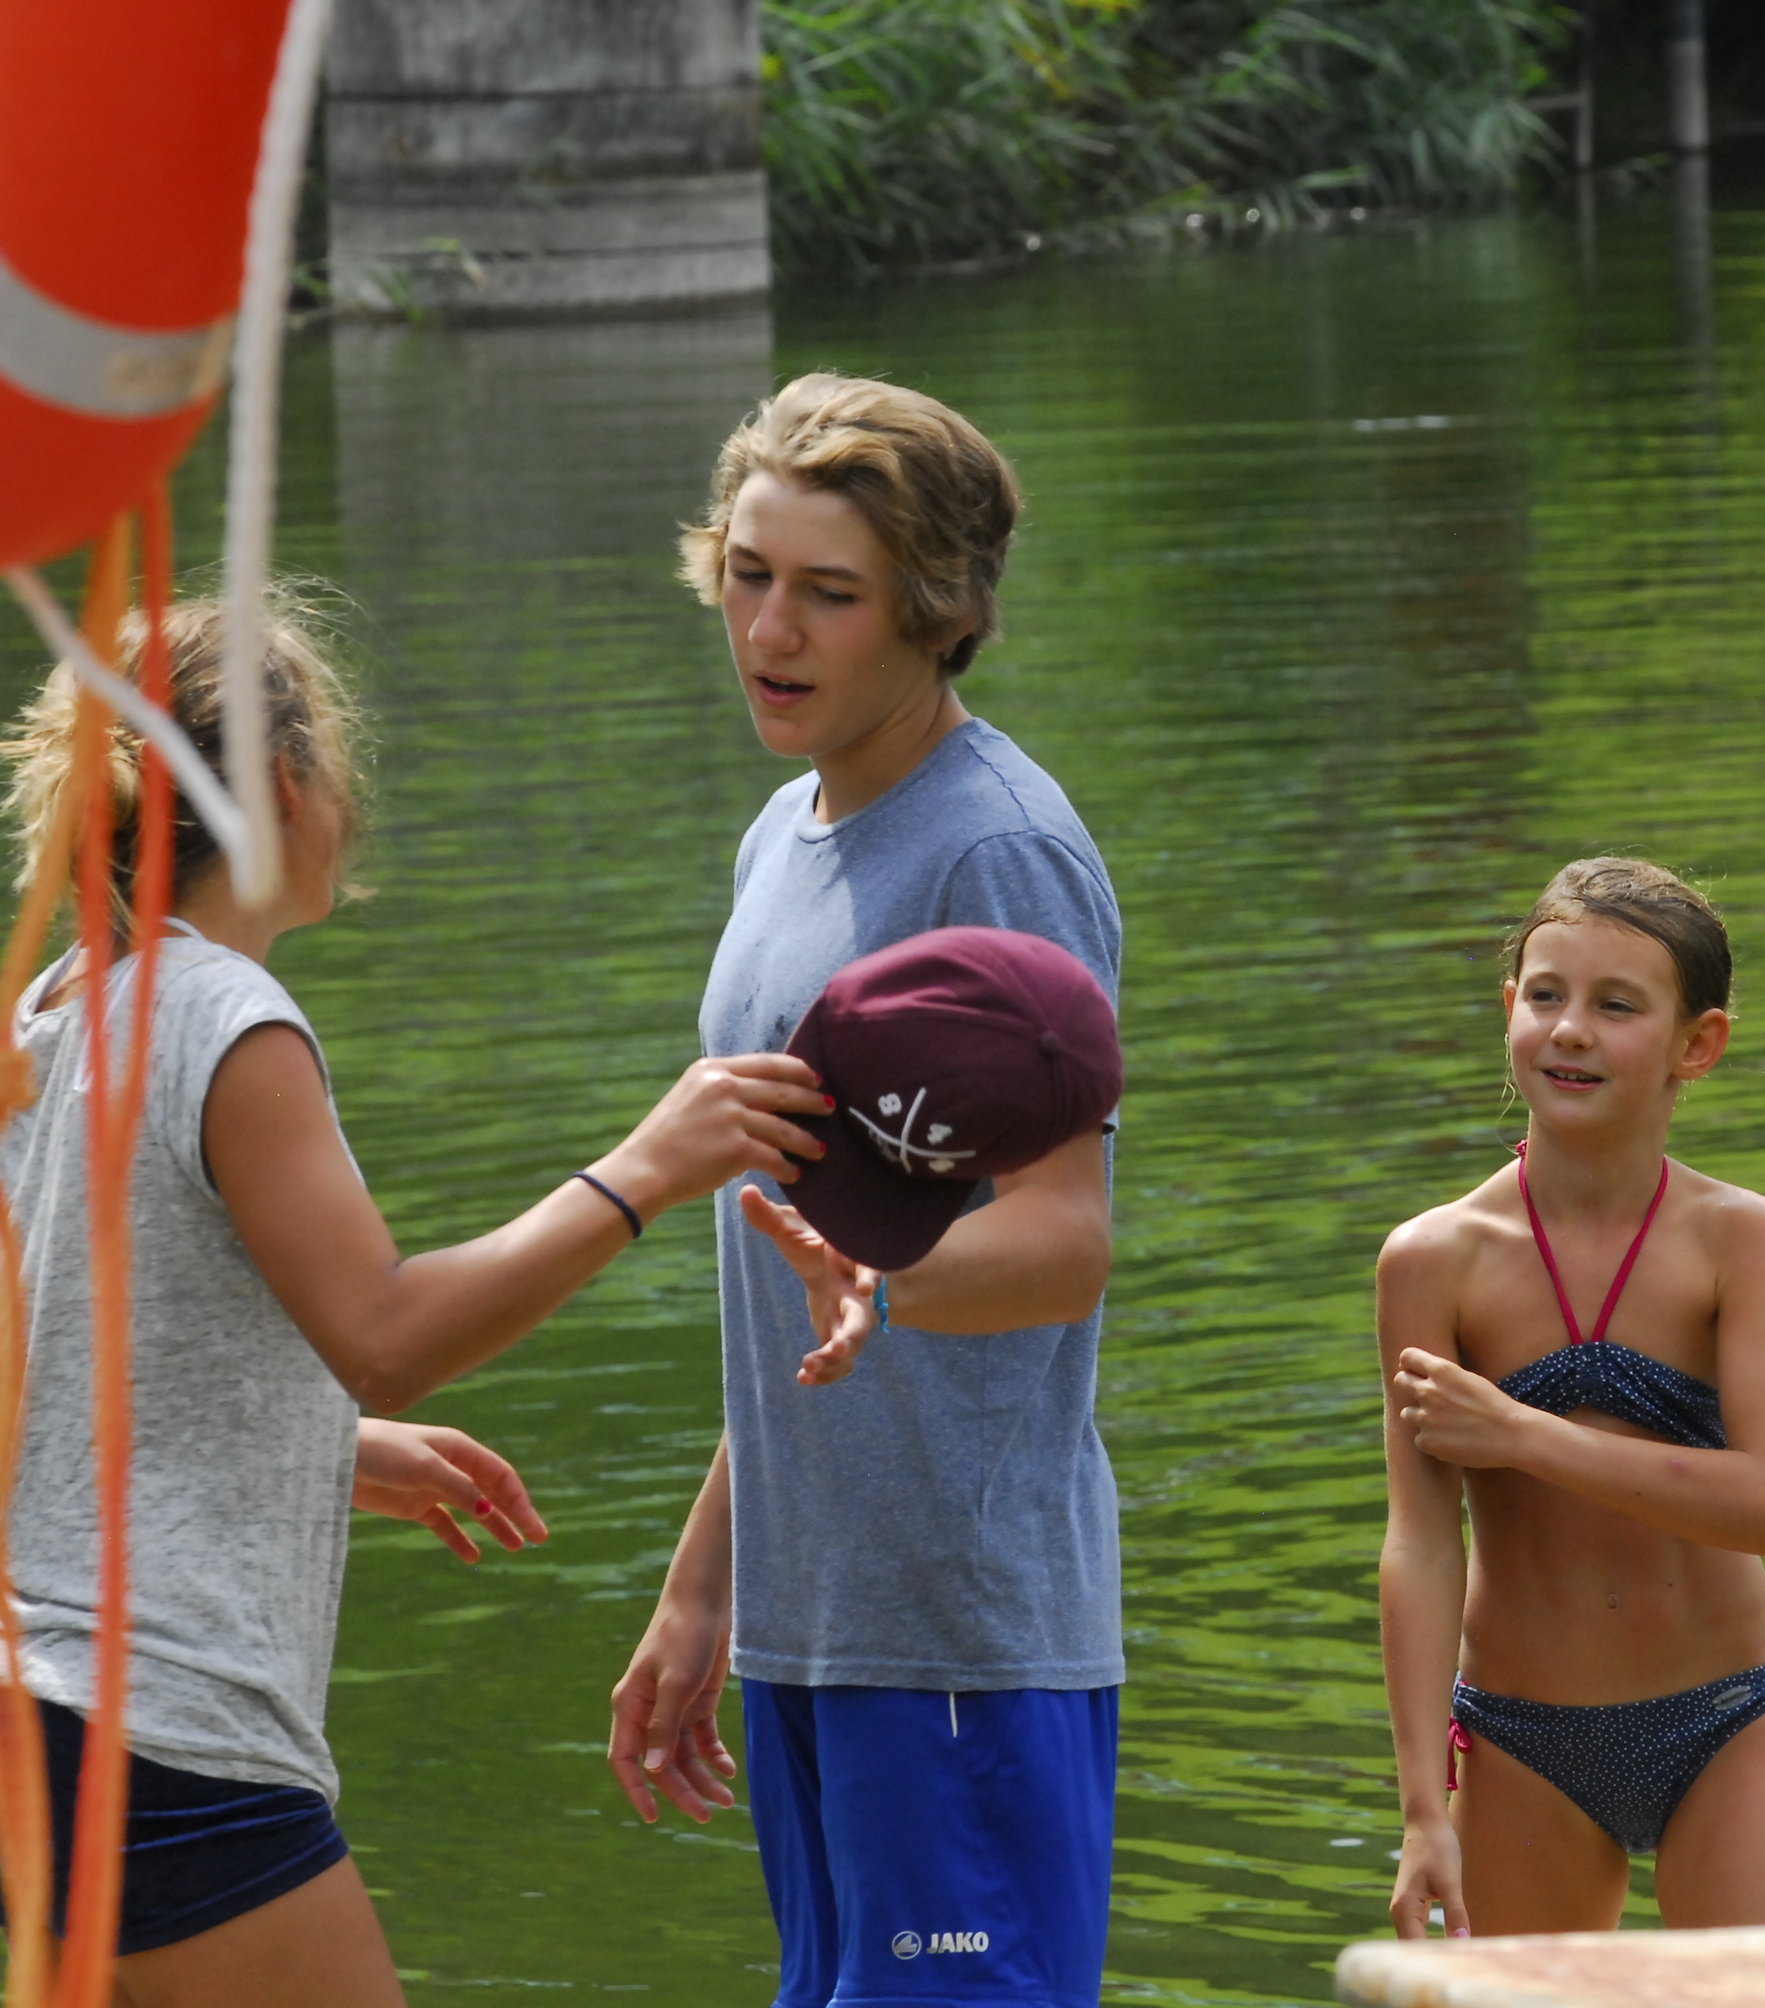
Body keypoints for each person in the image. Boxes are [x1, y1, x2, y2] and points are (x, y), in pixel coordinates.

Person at [5, 595, 827, 2008]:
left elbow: (72, 1368)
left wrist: (317, 1449)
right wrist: (647, 1166)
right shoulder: (226, 1019)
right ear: (282, 785)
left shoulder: (53, 1008)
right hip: (168, 1732)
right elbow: (385, 1338)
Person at [604, 375, 1125, 2008]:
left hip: (959, 1636)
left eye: (829, 593)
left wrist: (884, 1287)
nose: (770, 629)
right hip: (814, 1620)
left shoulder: (996, 854)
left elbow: (1063, 1239)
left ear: (938, 610)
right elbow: (795, 1256)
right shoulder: (785, 833)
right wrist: (707, 1586)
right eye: (748, 573)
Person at [1377, 857, 1765, 1938]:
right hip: (1520, 1735)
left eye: (1616, 1006)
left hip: (1722, 1721)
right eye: (1545, 995)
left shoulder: (1739, 1240)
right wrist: (1422, 1809)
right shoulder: (1432, 1261)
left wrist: (1524, 1435)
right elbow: (1422, 1545)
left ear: (1696, 1044)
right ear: (1509, 1009)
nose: (1569, 1030)